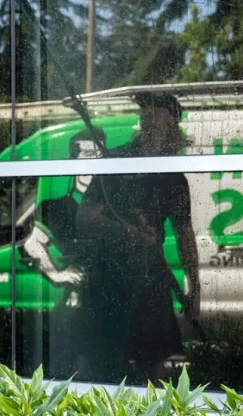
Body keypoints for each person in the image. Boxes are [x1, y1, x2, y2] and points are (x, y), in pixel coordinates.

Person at [68, 92, 201, 383]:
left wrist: (195, 290)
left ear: (172, 124)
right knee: (93, 363)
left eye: (156, 112)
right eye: (145, 113)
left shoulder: (173, 177)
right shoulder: (115, 161)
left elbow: (184, 235)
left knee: (154, 368)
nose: (147, 117)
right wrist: (127, 232)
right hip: (107, 277)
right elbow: (85, 218)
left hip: (149, 278)